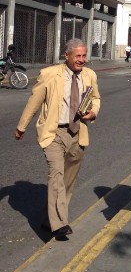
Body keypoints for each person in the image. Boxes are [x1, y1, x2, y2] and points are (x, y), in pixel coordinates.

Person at [14, 38, 100, 240]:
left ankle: (47, 218)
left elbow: (95, 98)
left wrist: (93, 112)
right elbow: (34, 101)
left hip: (78, 132)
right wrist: (22, 126)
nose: (82, 60)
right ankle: (59, 224)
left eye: (84, 55)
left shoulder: (89, 75)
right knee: (56, 174)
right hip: (54, 132)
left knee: (68, 180)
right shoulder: (50, 74)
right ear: (66, 55)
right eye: (78, 56)